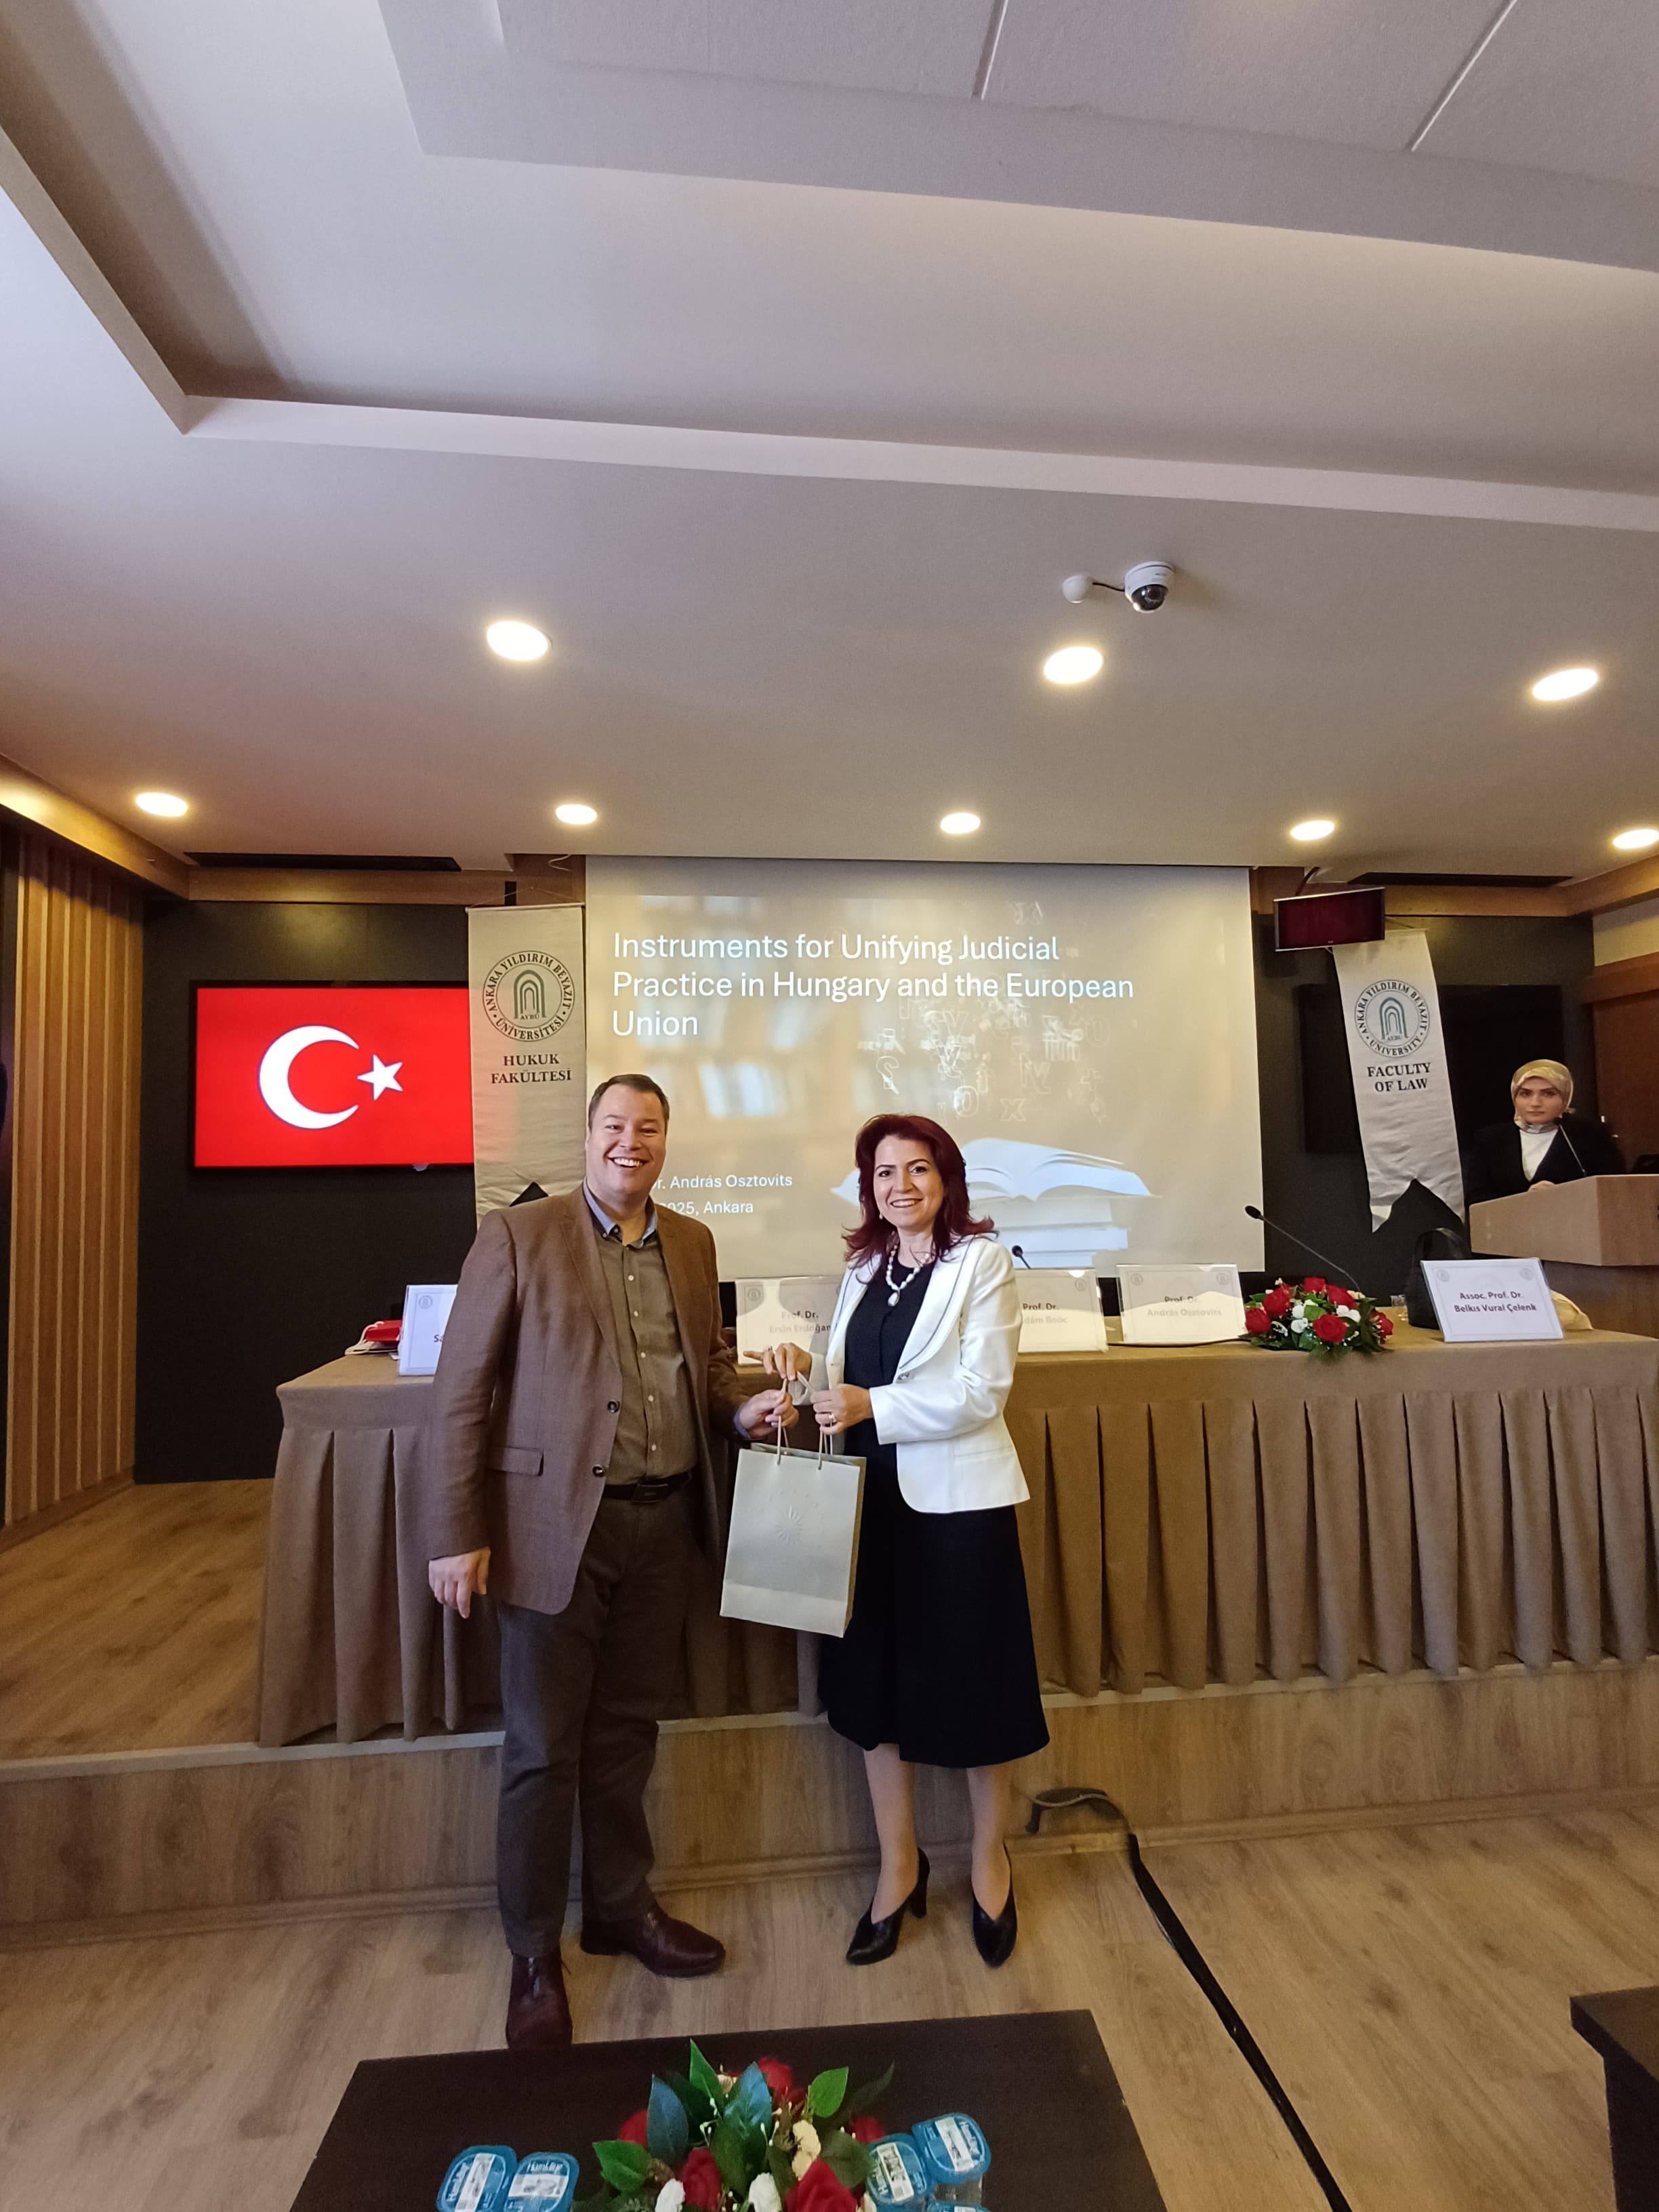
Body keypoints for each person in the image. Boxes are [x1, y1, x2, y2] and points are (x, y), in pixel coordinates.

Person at [422, 1073, 795, 2051]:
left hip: (663, 1527)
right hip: (552, 1534)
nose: (633, 1142)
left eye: (650, 1128)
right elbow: (461, 1391)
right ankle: (533, 1953)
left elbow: (707, 1369)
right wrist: (454, 1530)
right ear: (588, 1137)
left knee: (628, 1733)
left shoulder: (693, 1242)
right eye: (617, 1126)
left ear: (667, 1141)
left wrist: (743, 1409)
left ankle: (622, 1910)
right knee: (543, 1750)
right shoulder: (520, 1236)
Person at [766, 1114, 1048, 1970]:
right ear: (870, 1187)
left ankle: (989, 1862)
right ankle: (899, 1866)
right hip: (868, 1505)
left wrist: (870, 1406)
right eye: (884, 1173)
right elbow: (846, 1382)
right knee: (874, 1693)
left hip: (958, 1513)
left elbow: (983, 1391)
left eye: (917, 1169)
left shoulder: (982, 1263)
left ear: (946, 1178)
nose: (900, 1186)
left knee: (976, 1691)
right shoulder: (864, 1268)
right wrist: (805, 1374)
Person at [1462, 1058, 1624, 1206]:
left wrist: (1563, 1198)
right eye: (1525, 1094)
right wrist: (1524, 1200)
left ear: (1565, 1097)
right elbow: (1477, 1200)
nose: (1535, 1103)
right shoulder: (1490, 1139)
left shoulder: (1590, 1135)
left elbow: (1615, 1192)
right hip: (1511, 1226)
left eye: (1548, 1094)